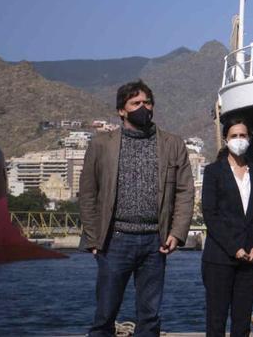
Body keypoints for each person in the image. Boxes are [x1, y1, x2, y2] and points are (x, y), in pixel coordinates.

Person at [79, 80, 195, 337]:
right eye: (136, 103)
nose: (143, 107)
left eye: (147, 102)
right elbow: (88, 193)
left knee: (150, 317)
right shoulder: (100, 145)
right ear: (122, 110)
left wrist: (176, 233)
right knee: (105, 315)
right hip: (114, 240)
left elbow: (185, 192)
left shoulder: (173, 144)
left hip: (156, 241)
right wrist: (93, 237)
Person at [202, 118, 253, 337]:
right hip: (220, 258)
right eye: (234, 136)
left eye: (243, 135)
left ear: (249, 139)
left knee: (242, 321)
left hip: (251, 260)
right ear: (225, 139)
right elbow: (211, 216)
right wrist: (235, 248)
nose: (239, 140)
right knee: (216, 319)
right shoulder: (213, 172)